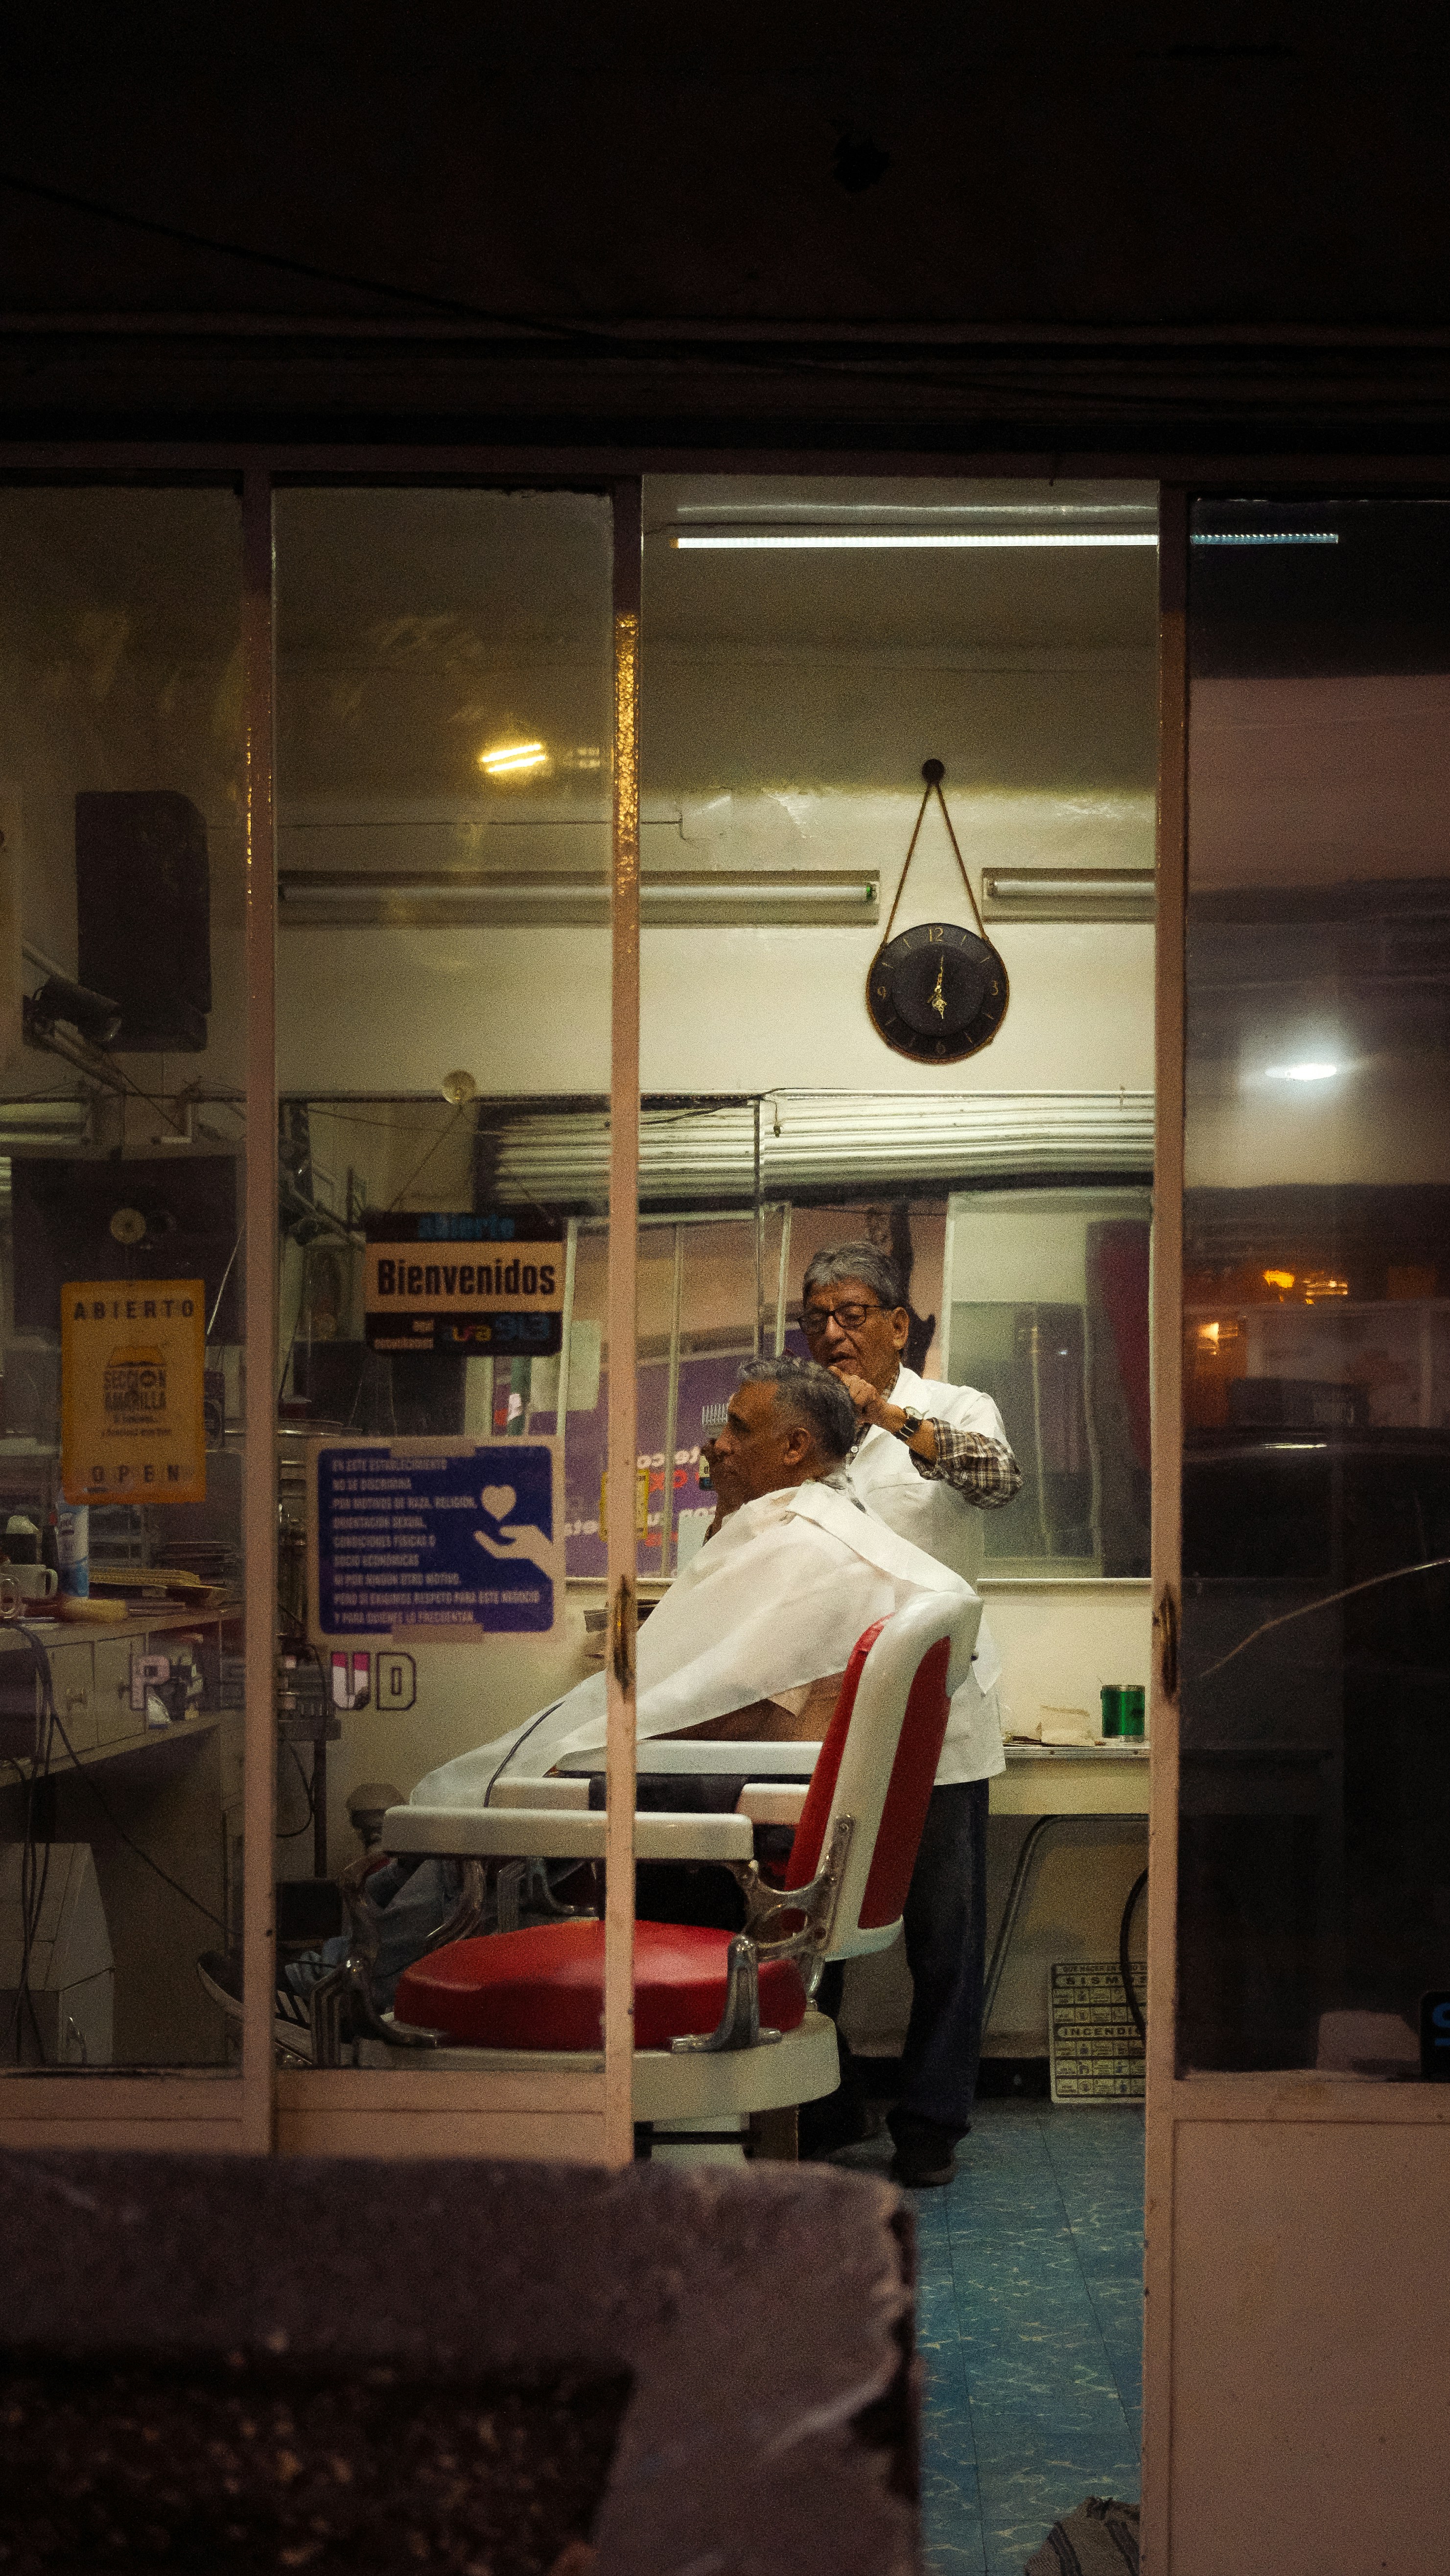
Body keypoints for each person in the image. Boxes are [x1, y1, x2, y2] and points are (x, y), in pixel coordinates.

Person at [200, 1357, 984, 2047]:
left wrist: (596, 1746)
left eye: (738, 1429)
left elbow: (748, 1711)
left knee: (517, 1801)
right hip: (755, 1798)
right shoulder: (817, 1535)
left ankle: (343, 1987)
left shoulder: (805, 1545)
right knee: (521, 1784)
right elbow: (744, 1692)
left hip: (742, 1823)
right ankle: (342, 1969)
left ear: (793, 1448)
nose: (715, 1444)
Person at [798, 1240, 1021, 2187]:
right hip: (823, 1721)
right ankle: (824, 2104)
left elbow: (996, 1480)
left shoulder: (954, 1408)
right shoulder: (799, 1419)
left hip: (939, 1718)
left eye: (851, 1315)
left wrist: (882, 1415)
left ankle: (930, 2126)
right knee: (816, 1930)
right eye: (817, 1319)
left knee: (943, 1939)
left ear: (898, 1324)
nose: (833, 1333)